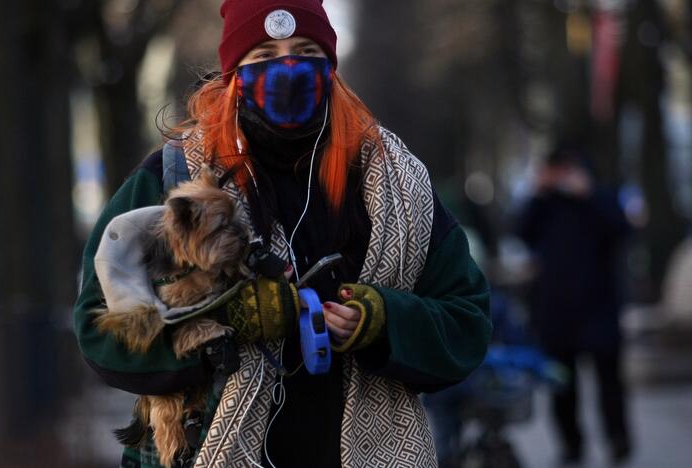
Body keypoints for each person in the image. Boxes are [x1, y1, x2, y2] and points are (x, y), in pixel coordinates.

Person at [74, 1, 492, 467]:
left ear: (330, 66)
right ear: (234, 73)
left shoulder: (398, 185)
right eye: (264, 56)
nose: (288, 67)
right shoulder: (173, 181)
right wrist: (222, 324)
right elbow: (98, 329)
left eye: (306, 49)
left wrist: (382, 322)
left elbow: (467, 321)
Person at [515, 145, 632, 465]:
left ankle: (618, 438)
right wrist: (538, 192)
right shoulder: (545, 204)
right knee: (562, 384)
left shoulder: (599, 197)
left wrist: (590, 193)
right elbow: (521, 231)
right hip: (557, 311)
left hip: (599, 307)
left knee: (609, 381)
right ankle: (571, 443)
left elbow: (621, 229)